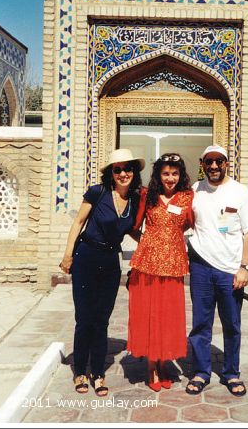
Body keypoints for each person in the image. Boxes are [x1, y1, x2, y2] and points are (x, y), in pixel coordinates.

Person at [59, 148, 145, 397]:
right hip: (86, 256)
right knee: (84, 318)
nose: (123, 173)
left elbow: (130, 230)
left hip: (110, 261)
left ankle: (98, 372)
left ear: (134, 172)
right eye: (117, 169)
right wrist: (67, 255)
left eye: (127, 168)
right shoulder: (98, 192)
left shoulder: (135, 200)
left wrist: (153, 245)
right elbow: (78, 223)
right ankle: (80, 372)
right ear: (111, 173)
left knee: (101, 319)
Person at [186, 144, 248, 397]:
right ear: (202, 164)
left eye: (219, 161)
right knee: (200, 324)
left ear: (227, 163)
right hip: (200, 267)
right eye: (209, 162)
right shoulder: (195, 191)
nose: (214, 166)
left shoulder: (239, 192)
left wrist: (244, 267)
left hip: (230, 270)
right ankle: (201, 372)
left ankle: (231, 373)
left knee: (231, 324)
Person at [127, 153, 193, 391]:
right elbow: (133, 227)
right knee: (150, 313)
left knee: (168, 315)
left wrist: (171, 239)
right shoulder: (148, 196)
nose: (170, 178)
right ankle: (151, 367)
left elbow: (189, 224)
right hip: (148, 266)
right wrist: (148, 243)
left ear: (181, 175)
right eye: (166, 173)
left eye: (175, 173)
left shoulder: (187, 197)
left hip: (173, 265)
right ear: (158, 175)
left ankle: (164, 361)